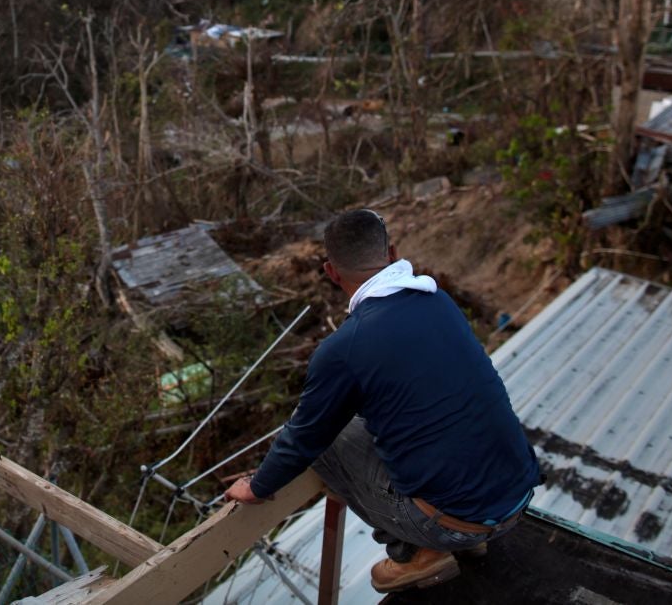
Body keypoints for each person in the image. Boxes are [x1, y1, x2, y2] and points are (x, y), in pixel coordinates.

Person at [224, 209, 541, 593]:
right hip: (518, 495)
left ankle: (417, 552)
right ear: (392, 252)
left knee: (325, 442)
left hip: (454, 522)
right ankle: (466, 536)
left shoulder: (345, 347)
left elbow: (304, 437)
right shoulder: (437, 300)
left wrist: (257, 487)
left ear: (332, 272)